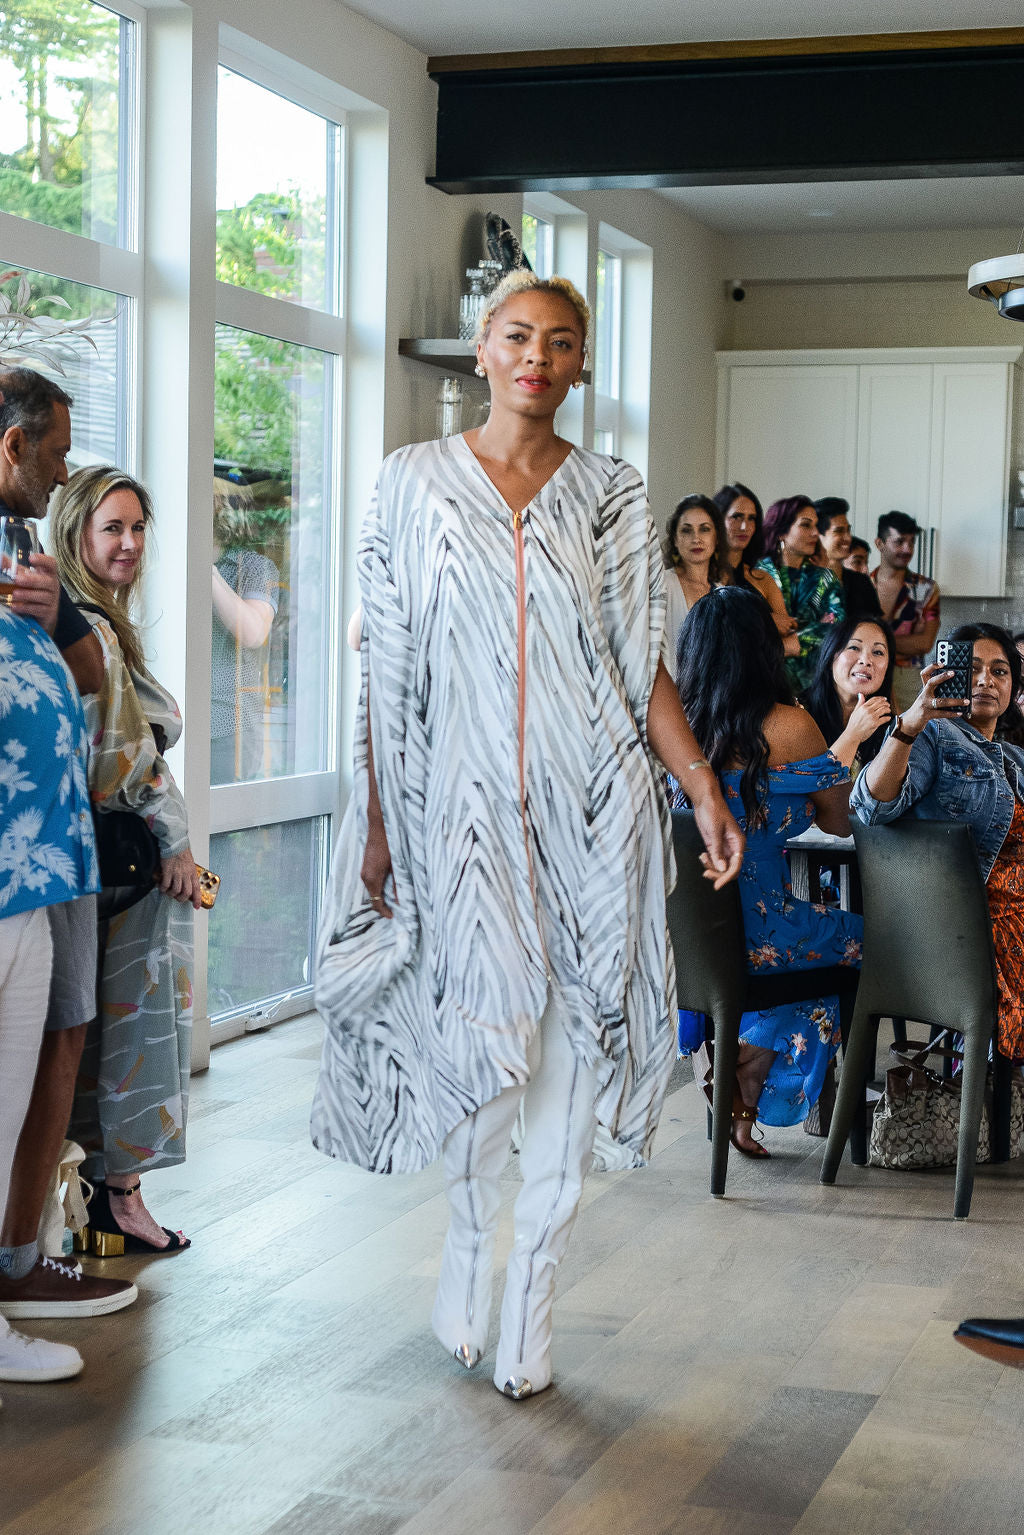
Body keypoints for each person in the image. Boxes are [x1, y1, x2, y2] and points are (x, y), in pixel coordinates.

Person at [311, 269, 743, 1401]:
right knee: (485, 1056)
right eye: (517, 336)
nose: (536, 358)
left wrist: (697, 781)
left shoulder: (610, 492)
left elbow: (633, 654)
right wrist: (376, 815)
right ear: (480, 349)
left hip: (594, 811)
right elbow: (385, 662)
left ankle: (533, 1296)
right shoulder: (409, 483)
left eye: (560, 341)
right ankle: (467, 1256)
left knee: (572, 1052)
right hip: (456, 823)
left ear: (581, 361)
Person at [0, 368, 136, 1335]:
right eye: (52, 456)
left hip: (60, 847)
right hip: (16, 860)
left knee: (62, 1036)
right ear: (14, 447)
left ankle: (22, 1253)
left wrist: (60, 617)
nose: (60, 475)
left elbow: (102, 691)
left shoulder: (25, 550)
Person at [50, 466, 201, 1256]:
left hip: (89, 856)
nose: (130, 543)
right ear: (75, 532)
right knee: (132, 1033)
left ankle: (87, 1198)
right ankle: (120, 1200)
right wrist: (173, 837)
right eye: (112, 528)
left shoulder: (92, 621)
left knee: (92, 1034)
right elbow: (124, 755)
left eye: (138, 527)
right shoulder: (90, 631)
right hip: (123, 858)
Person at [674, 586, 862, 1154]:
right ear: (763, 651)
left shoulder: (677, 728)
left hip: (687, 939)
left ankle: (742, 1080)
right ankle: (751, 1064)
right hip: (764, 930)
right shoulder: (791, 726)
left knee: (816, 942)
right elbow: (840, 822)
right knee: (865, 940)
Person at [851, 623, 1024, 1068]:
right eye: (976, 668)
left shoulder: (1017, 759)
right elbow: (871, 805)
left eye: (1001, 671)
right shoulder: (934, 737)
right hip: (968, 928)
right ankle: (987, 1093)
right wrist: (910, 723)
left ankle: (994, 1095)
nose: (986, 679)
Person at [210, 477, 279, 784]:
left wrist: (205, 570)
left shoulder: (253, 567)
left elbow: (253, 632)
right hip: (173, 723)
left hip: (229, 728)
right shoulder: (168, 563)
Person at [753, 495, 845, 692]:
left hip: (814, 684)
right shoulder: (754, 574)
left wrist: (792, 643)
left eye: (816, 526)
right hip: (761, 680)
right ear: (781, 531)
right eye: (806, 525)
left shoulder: (825, 578)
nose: (815, 533)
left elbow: (837, 625)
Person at [712, 481, 799, 657]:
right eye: (736, 516)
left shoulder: (763, 579)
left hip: (764, 681)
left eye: (751, 518)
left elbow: (793, 645)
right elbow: (714, 639)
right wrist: (767, 623)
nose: (744, 526)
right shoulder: (703, 577)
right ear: (717, 519)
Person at [801, 617, 894, 773]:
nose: (866, 660)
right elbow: (814, 788)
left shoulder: (892, 728)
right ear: (831, 656)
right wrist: (853, 734)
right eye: (854, 647)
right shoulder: (799, 714)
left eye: (878, 652)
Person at [871, 510, 940, 714]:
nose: (907, 549)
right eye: (899, 541)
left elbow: (925, 643)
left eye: (911, 542)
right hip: (867, 671)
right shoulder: (861, 585)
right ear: (879, 544)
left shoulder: (926, 588)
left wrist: (876, 644)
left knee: (910, 735)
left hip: (908, 676)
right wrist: (904, 643)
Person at [661, 493, 726, 654]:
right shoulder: (662, 585)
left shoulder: (723, 592)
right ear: (675, 539)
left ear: (716, 537)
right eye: (686, 530)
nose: (696, 538)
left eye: (704, 529)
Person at [814, 498, 882, 621]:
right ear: (818, 536)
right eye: (839, 531)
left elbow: (876, 629)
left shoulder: (862, 583)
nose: (848, 538)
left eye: (848, 530)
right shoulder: (800, 584)